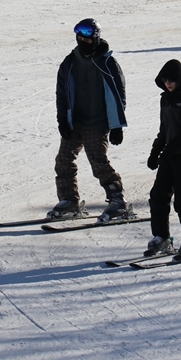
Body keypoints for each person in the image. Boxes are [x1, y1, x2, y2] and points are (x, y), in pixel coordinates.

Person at [50, 18, 130, 222]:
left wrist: (116, 126)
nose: (82, 40)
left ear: (96, 38)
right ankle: (69, 200)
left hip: (97, 122)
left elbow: (118, 95)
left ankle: (117, 200)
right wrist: (62, 120)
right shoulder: (69, 62)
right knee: (63, 161)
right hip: (75, 122)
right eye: (79, 37)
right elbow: (62, 93)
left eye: (87, 37)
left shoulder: (107, 63)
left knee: (98, 161)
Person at [146, 59, 181, 261]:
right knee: (158, 196)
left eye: (171, 80)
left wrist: (168, 151)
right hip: (170, 156)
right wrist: (155, 153)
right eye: (165, 80)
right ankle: (161, 237)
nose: (168, 83)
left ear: (180, 79)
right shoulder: (166, 100)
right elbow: (164, 130)